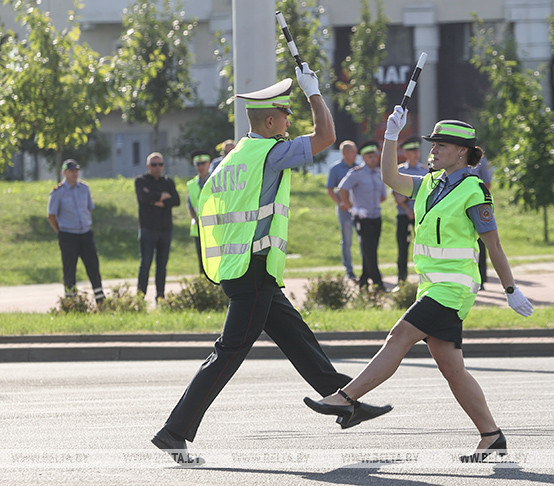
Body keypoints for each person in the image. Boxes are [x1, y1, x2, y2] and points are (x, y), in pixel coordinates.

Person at [151, 66, 390, 466]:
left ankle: (345, 399)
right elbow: (327, 137)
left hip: (245, 268)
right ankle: (174, 431)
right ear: (269, 120)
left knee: (297, 337)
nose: (288, 122)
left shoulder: (234, 157)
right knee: (227, 353)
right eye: (284, 115)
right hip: (253, 269)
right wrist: (314, 93)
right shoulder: (270, 152)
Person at [303, 108, 534, 463]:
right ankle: (492, 436)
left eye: (443, 145)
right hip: (431, 288)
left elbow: (494, 245)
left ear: (462, 152)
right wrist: (391, 136)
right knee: (453, 371)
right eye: (434, 143)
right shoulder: (428, 183)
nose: (435, 149)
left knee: (399, 335)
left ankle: (346, 400)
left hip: (454, 289)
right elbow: (390, 176)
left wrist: (510, 289)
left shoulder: (474, 189)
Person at [47, 159, 105, 304]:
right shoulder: (58, 192)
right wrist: (61, 232)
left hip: (85, 234)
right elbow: (51, 216)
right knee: (69, 269)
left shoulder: (84, 188)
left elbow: (89, 209)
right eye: (71, 171)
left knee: (93, 267)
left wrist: (84, 224)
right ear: (64, 173)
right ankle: (70, 302)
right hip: (68, 235)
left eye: (76, 170)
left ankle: (100, 300)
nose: (74, 173)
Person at [338, 140, 387, 291]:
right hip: (362, 217)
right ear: (364, 158)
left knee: (371, 249)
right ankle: (378, 283)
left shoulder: (379, 174)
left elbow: (383, 196)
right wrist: (352, 208)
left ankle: (364, 280)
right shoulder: (357, 173)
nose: (373, 159)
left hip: (376, 216)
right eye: (370, 156)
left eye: (375, 156)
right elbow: (342, 189)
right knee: (369, 250)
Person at [135, 152, 180, 301]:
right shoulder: (141, 181)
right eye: (154, 165)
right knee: (146, 263)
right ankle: (140, 296)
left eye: (160, 164)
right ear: (148, 166)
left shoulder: (168, 182)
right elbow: (143, 197)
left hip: (165, 229)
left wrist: (154, 199)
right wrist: (162, 196)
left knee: (162, 265)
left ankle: (160, 295)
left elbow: (176, 200)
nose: (157, 167)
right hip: (148, 229)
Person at [393, 136, 428, 285]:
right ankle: (402, 281)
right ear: (406, 153)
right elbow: (398, 198)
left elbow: (427, 194)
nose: (416, 153)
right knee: (402, 249)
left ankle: (426, 280)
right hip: (404, 216)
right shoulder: (399, 171)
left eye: (417, 151)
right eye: (412, 151)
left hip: (421, 217)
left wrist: (408, 197)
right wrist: (408, 207)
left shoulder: (424, 171)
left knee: (424, 250)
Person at [326, 140, 360, 280]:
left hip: (359, 210)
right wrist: (340, 203)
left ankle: (368, 270)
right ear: (344, 153)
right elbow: (329, 189)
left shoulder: (359, 168)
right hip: (344, 210)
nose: (355, 154)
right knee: (346, 240)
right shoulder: (336, 169)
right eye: (353, 151)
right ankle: (349, 270)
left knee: (364, 240)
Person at [469, 155, 493, 288]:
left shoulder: (480, 160)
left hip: (475, 206)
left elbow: (487, 183)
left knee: (480, 244)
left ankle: (481, 280)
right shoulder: (453, 158)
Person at [187, 149, 212, 275]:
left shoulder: (215, 180)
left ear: (209, 164)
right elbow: (190, 206)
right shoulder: (191, 185)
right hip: (198, 229)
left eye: (203, 163)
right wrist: (195, 219)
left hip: (214, 227)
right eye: (198, 164)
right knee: (201, 261)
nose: (200, 167)